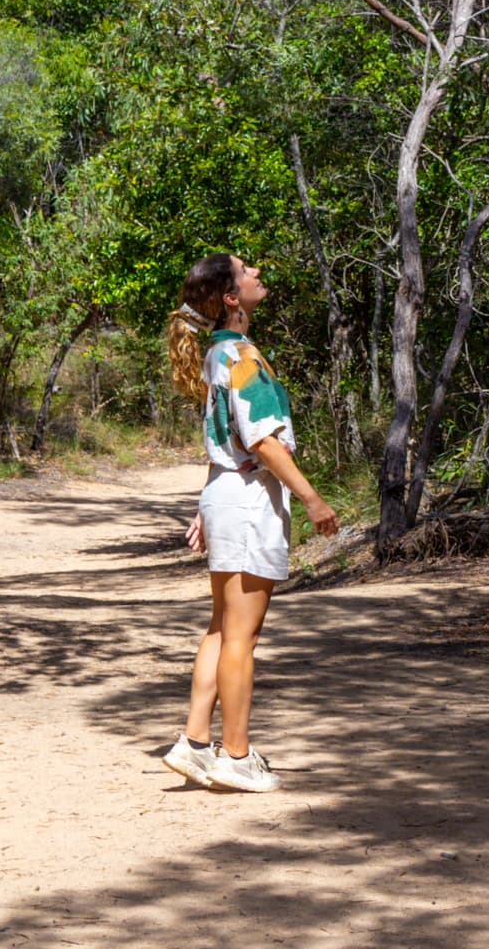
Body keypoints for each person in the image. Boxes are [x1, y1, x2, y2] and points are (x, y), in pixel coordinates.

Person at [159, 251, 339, 794]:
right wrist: (311, 497)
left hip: (227, 494)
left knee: (221, 626)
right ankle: (235, 756)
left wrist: (208, 505)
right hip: (248, 500)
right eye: (247, 272)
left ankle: (194, 744)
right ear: (231, 298)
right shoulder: (240, 355)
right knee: (242, 635)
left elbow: (226, 435)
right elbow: (260, 440)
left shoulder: (221, 351)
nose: (259, 272)